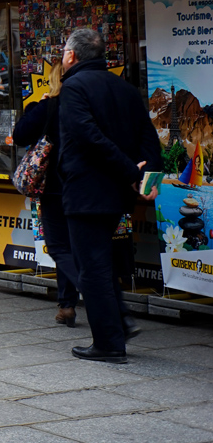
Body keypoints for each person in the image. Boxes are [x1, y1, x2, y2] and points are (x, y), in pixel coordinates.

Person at [57, 27, 160, 363]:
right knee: (105, 264)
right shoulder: (126, 89)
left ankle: (108, 343)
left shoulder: (73, 88)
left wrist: (131, 172)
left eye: (63, 54)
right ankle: (117, 330)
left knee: (93, 268)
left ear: (72, 56)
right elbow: (149, 139)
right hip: (119, 195)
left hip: (87, 192)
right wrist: (144, 179)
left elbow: (88, 137)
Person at [12, 63, 79, 327]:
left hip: (55, 186)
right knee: (82, 245)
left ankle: (67, 303)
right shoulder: (88, 104)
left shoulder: (50, 105)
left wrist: (36, 107)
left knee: (60, 246)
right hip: (89, 185)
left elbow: (20, 134)